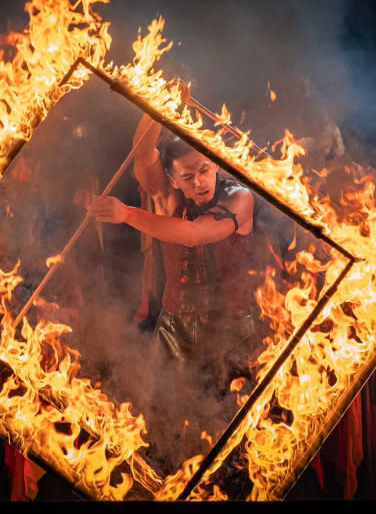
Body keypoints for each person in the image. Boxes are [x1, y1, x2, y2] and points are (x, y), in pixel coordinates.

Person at [87, 82, 261, 395]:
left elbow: (194, 235)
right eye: (189, 177)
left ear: (215, 165)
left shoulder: (239, 198)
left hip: (231, 328)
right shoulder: (168, 196)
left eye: (206, 171)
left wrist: (126, 214)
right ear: (173, 181)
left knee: (229, 419)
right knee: (160, 415)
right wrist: (157, 107)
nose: (201, 182)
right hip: (175, 327)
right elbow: (142, 153)